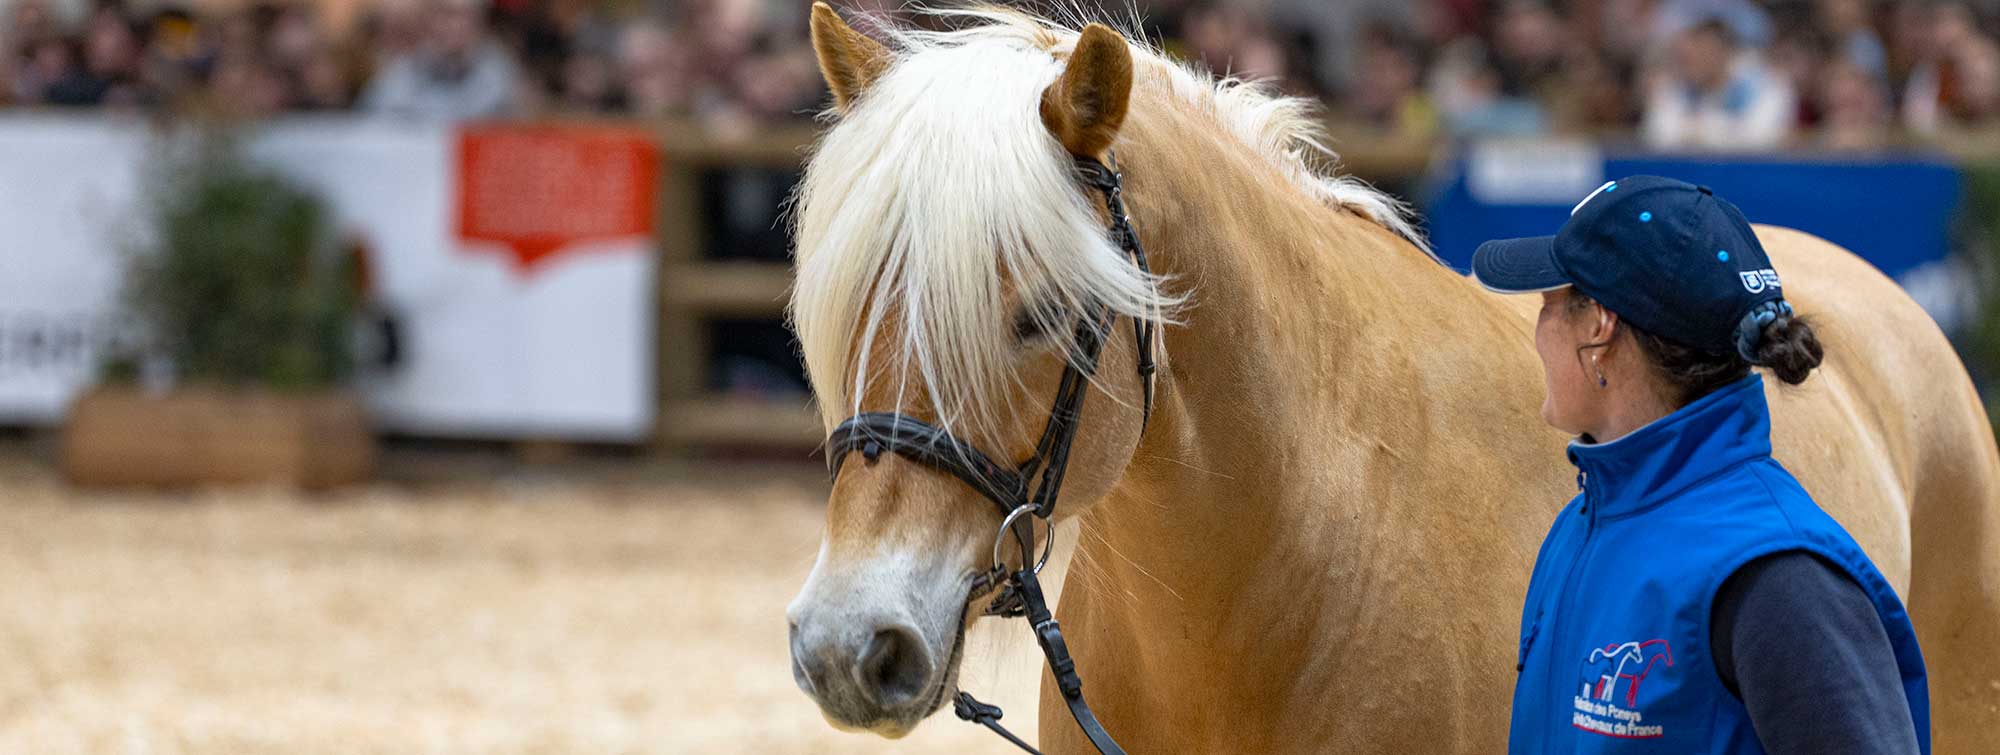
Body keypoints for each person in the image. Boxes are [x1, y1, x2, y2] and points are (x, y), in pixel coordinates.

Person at [1472, 176, 1928, 754]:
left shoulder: (1780, 578)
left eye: (1548, 303)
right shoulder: (1583, 523)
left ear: (1598, 326)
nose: (1536, 333)